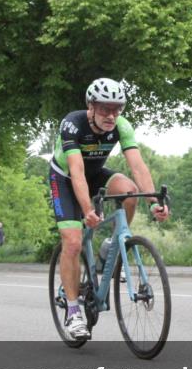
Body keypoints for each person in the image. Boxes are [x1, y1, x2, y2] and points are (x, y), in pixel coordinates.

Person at [49, 78, 170, 339]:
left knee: (129, 192)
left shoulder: (122, 126)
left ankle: (111, 245)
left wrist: (155, 203)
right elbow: (77, 173)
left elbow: (138, 167)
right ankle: (72, 311)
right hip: (67, 178)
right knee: (72, 241)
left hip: (95, 174)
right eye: (105, 109)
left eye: (117, 109)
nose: (112, 115)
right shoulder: (73, 123)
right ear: (90, 107)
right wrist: (87, 209)